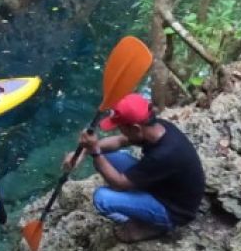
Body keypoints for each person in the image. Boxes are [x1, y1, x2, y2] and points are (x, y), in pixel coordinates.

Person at [70, 93, 205, 242]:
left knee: (102, 198)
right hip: (162, 186)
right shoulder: (158, 128)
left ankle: (154, 225)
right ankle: (138, 204)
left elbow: (119, 184)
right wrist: (83, 152)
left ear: (135, 129)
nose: (120, 132)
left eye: (121, 127)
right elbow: (121, 141)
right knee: (106, 158)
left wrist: (95, 151)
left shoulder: (164, 154)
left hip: (174, 210)